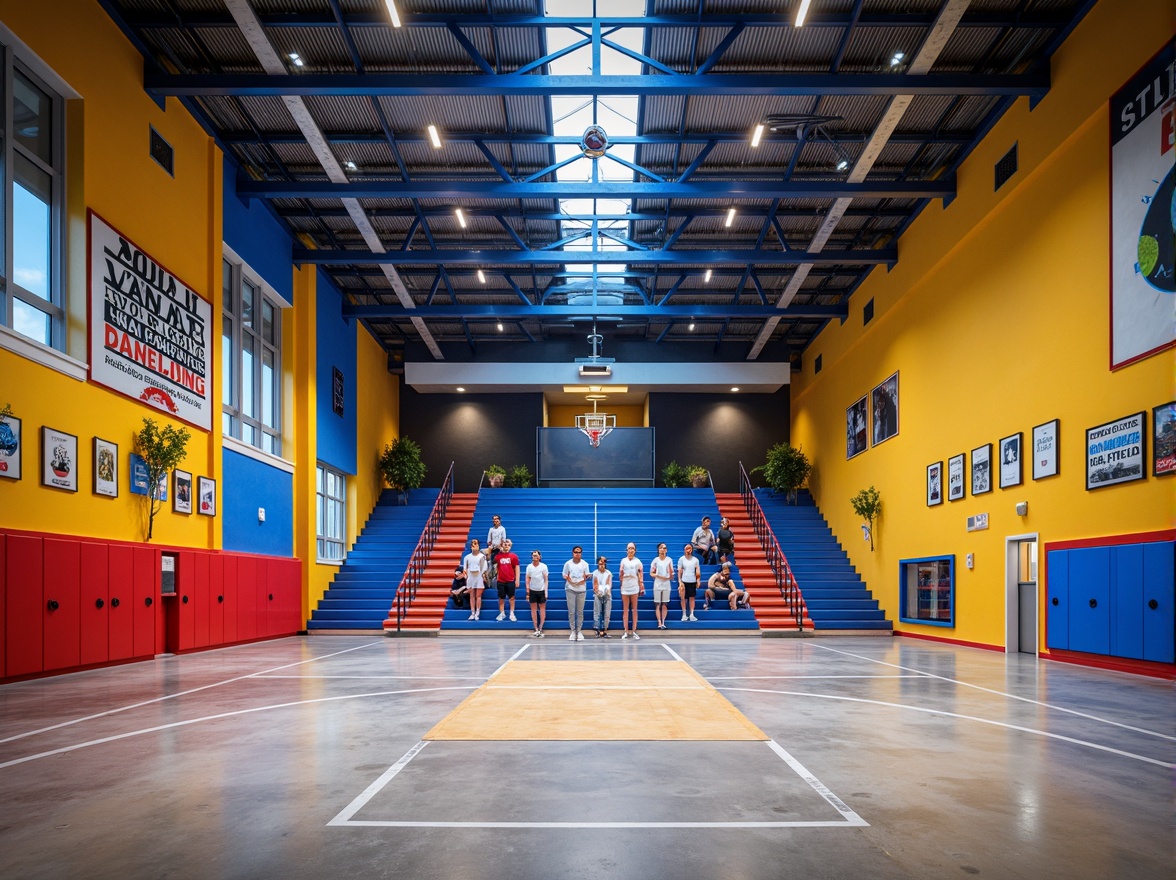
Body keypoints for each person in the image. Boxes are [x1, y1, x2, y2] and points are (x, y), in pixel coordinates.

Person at [562, 545, 591, 641]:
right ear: (572, 553)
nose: (577, 554)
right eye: (575, 552)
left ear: (581, 553)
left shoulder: (585, 564)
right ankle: (573, 631)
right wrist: (569, 580)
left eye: (579, 552)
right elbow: (564, 575)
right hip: (570, 589)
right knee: (571, 611)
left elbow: (587, 576)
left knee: (580, 611)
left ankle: (579, 631)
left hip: (581, 589)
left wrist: (584, 579)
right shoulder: (568, 564)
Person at [618, 542, 643, 640]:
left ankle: (634, 631)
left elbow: (640, 575)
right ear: (626, 550)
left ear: (635, 550)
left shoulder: (638, 562)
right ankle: (626, 631)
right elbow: (620, 574)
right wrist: (622, 580)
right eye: (629, 548)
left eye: (632, 548)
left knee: (634, 610)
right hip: (625, 587)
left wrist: (641, 586)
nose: (631, 550)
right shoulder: (623, 561)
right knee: (625, 610)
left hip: (634, 586)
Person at [494, 538, 521, 622]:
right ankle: (502, 613)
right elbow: (491, 563)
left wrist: (517, 580)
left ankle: (512, 613)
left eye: (508, 545)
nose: (506, 546)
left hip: (510, 580)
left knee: (511, 597)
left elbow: (517, 568)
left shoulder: (514, 556)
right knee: (501, 598)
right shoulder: (498, 556)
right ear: (502, 545)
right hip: (501, 580)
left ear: (510, 546)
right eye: (505, 544)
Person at [649, 543, 675, 629]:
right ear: (658, 550)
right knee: (657, 604)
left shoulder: (669, 560)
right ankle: (659, 622)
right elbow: (651, 573)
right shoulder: (655, 560)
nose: (663, 549)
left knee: (665, 603)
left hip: (666, 584)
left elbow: (672, 573)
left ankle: (663, 622)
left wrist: (670, 576)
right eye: (661, 548)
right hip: (657, 584)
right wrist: (658, 576)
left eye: (664, 548)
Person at [462, 538, 488, 620]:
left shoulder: (482, 556)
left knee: (478, 596)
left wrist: (481, 573)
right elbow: (464, 568)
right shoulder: (467, 557)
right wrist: (466, 576)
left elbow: (485, 567)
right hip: (471, 577)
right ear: (470, 547)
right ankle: (472, 612)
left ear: (478, 546)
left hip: (479, 576)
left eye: (476, 545)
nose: (475, 547)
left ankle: (478, 612)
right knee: (472, 596)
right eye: (473, 545)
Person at [526, 550, 549, 638]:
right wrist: (528, 592)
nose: (535, 557)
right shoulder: (529, 567)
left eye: (536, 555)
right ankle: (535, 628)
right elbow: (527, 580)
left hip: (541, 590)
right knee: (533, 610)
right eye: (533, 555)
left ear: (539, 557)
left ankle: (541, 627)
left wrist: (546, 592)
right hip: (532, 590)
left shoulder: (544, 566)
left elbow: (546, 580)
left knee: (542, 609)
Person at [677, 543, 701, 621]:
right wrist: (680, 581)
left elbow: (697, 571)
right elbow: (679, 571)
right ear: (684, 550)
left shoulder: (695, 560)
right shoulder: (681, 559)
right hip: (684, 581)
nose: (688, 550)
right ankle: (684, 614)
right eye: (687, 548)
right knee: (683, 598)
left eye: (690, 548)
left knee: (692, 598)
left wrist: (698, 580)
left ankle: (691, 614)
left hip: (692, 581)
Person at [592, 555, 613, 638]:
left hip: (607, 594)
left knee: (607, 613)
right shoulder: (595, 573)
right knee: (597, 612)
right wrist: (598, 592)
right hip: (598, 594)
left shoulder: (608, 573)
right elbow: (595, 584)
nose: (602, 564)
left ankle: (605, 630)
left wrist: (607, 591)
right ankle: (597, 630)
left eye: (603, 563)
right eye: (600, 562)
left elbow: (609, 583)